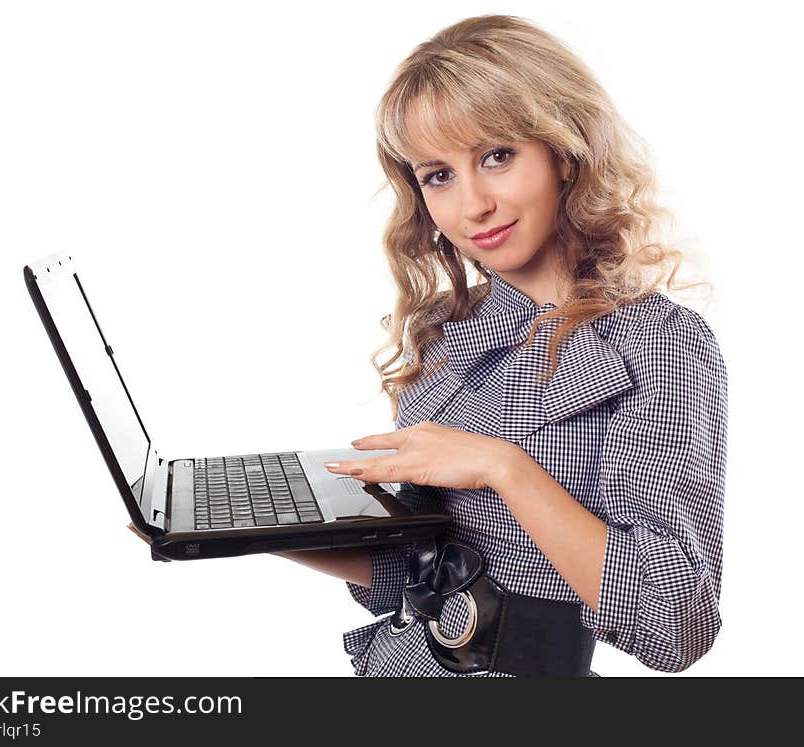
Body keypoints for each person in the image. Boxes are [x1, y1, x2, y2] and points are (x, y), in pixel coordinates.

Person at [133, 14, 729, 677]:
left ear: (564, 151)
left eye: (497, 156)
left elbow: (679, 623)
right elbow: (406, 568)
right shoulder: (448, 330)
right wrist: (223, 527)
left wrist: (505, 466)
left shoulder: (659, 345)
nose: (472, 204)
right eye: (438, 174)